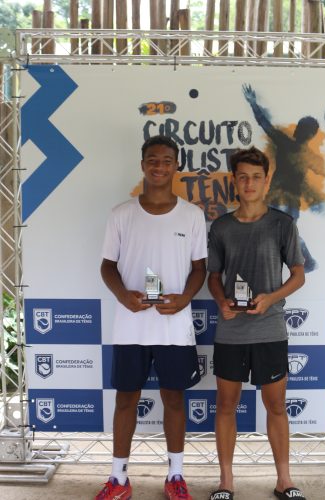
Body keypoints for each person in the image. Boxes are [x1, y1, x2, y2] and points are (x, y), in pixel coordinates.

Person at [96, 135, 207, 500]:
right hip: (131, 325)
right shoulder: (121, 214)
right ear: (142, 164)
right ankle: (118, 479)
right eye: (153, 160)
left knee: (173, 399)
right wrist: (122, 295)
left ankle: (175, 476)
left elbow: (200, 269)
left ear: (177, 166)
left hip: (174, 325)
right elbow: (107, 266)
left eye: (167, 160)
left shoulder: (192, 215)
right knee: (125, 400)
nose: (159, 166)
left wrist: (185, 299)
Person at [207, 147, 307, 500]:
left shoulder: (283, 224)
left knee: (276, 407)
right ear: (234, 181)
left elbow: (299, 275)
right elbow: (213, 276)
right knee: (225, 406)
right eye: (243, 177)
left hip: (270, 330)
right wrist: (221, 301)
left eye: (256, 177)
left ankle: (284, 481)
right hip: (231, 332)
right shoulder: (221, 227)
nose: (249, 183)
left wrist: (271, 297)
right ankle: (226, 482)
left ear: (266, 181)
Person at [242, 83, 325, 272]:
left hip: (280, 201)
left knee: (278, 235)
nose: (297, 130)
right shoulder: (310, 157)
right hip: (285, 203)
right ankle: (306, 262)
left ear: (303, 132)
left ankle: (304, 262)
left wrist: (253, 103)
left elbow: (264, 124)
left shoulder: (287, 144)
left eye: (300, 128)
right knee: (283, 235)